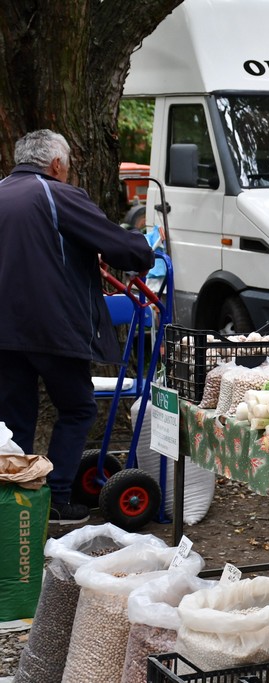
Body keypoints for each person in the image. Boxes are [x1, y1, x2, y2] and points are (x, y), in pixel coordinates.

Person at [0, 130, 155, 524]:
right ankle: (57, 498)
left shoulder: (3, 191)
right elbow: (120, 246)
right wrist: (142, 252)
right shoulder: (57, 194)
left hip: (5, 330)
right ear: (56, 164)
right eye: (67, 166)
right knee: (77, 407)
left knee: (16, 417)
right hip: (51, 326)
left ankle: (15, 499)